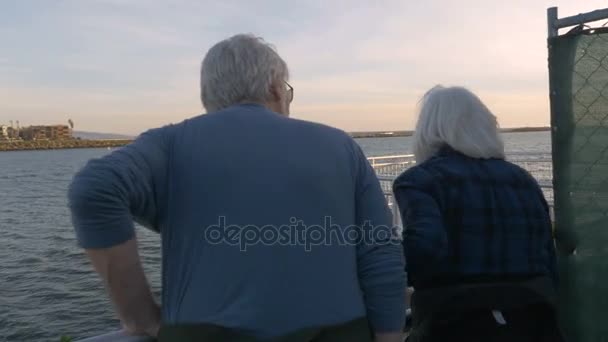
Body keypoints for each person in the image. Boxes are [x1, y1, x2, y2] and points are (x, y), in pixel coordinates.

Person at [68, 34, 406, 342]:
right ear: (275, 88)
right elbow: (380, 252)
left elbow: (94, 190)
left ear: (209, 95)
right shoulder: (340, 147)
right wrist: (389, 336)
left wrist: (139, 316)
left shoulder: (170, 145)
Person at [393, 85, 562, 342]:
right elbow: (547, 256)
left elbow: (424, 252)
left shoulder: (419, 180)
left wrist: (381, 270)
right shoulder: (523, 179)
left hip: (455, 323)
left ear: (427, 130)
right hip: (535, 320)